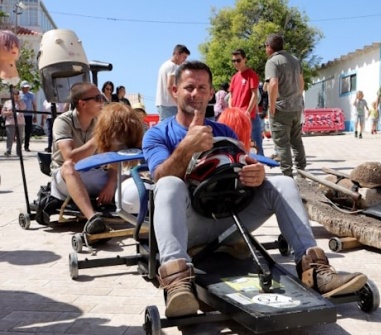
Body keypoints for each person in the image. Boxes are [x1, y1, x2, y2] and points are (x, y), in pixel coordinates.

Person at [142, 60, 367, 318]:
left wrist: (257, 173)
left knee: (282, 181)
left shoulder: (223, 131)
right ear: (174, 91)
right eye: (189, 87)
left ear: (211, 92)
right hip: (188, 225)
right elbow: (159, 176)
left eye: (202, 88)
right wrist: (186, 147)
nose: (196, 94)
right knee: (169, 183)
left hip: (229, 220)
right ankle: (177, 282)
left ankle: (314, 269)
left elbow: (245, 164)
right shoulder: (157, 134)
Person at [50, 82, 115, 235]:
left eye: (103, 98)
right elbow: (70, 157)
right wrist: (98, 138)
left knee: (130, 173)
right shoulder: (63, 121)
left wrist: (111, 182)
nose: (103, 102)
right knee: (69, 166)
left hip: (92, 173)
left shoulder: (100, 122)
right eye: (98, 98)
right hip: (66, 178)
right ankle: (92, 219)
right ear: (82, 103)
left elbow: (112, 157)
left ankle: (144, 216)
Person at [264, 34, 307, 177]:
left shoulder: (273, 62)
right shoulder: (295, 60)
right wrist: (297, 97)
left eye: (265, 47)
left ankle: (287, 175)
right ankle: (302, 171)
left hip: (281, 108)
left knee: (282, 144)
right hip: (296, 107)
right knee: (297, 141)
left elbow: (273, 83)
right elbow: (301, 82)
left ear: (269, 47)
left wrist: (271, 105)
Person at [229, 49, 264, 156]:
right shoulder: (234, 77)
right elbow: (231, 96)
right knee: (238, 143)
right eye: (233, 61)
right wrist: (231, 110)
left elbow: (254, 95)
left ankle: (260, 167)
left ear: (245, 59)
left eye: (238, 60)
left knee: (255, 143)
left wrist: (248, 111)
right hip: (237, 117)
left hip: (250, 116)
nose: (236, 63)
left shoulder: (251, 74)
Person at [155, 44, 190, 120]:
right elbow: (170, 86)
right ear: (177, 54)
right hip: (170, 104)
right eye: (184, 57)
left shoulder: (165, 65)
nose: (184, 60)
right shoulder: (173, 66)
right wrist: (178, 101)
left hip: (162, 103)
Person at [3, 90, 25, 156]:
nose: (16, 96)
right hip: (10, 122)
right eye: (14, 95)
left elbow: (23, 108)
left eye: (17, 95)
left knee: (20, 138)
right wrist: (9, 112)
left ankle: (19, 151)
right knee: (10, 137)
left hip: (20, 122)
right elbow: (3, 112)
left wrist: (18, 101)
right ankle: (8, 150)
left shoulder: (21, 102)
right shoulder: (7, 102)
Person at [19, 81, 37, 152]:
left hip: (29, 115)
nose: (26, 89)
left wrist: (35, 115)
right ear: (22, 87)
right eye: (25, 87)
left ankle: (26, 146)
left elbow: (34, 105)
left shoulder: (31, 95)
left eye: (27, 87)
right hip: (20, 115)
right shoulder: (19, 94)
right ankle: (19, 146)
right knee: (20, 131)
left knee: (28, 131)